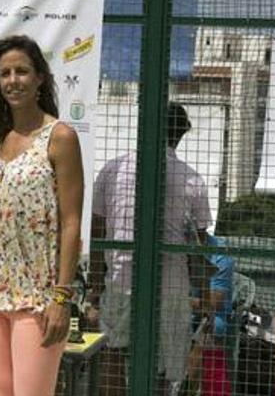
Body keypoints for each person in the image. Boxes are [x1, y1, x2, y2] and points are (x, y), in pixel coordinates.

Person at [0, 34, 83, 396]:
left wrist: (62, 298)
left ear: (39, 79)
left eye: (21, 71)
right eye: (4, 73)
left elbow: (71, 222)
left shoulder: (59, 137)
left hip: (38, 298)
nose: (12, 80)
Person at [92, 101, 212, 396]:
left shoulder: (112, 170)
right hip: (171, 283)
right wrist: (205, 292)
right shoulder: (192, 179)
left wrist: (95, 283)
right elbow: (200, 244)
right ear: (181, 134)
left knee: (112, 353)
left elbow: (97, 229)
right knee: (165, 364)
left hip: (121, 276)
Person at [185, 234, 233, 396]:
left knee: (208, 329)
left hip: (210, 315)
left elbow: (213, 302)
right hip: (179, 310)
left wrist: (178, 299)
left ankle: (188, 391)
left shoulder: (220, 253)